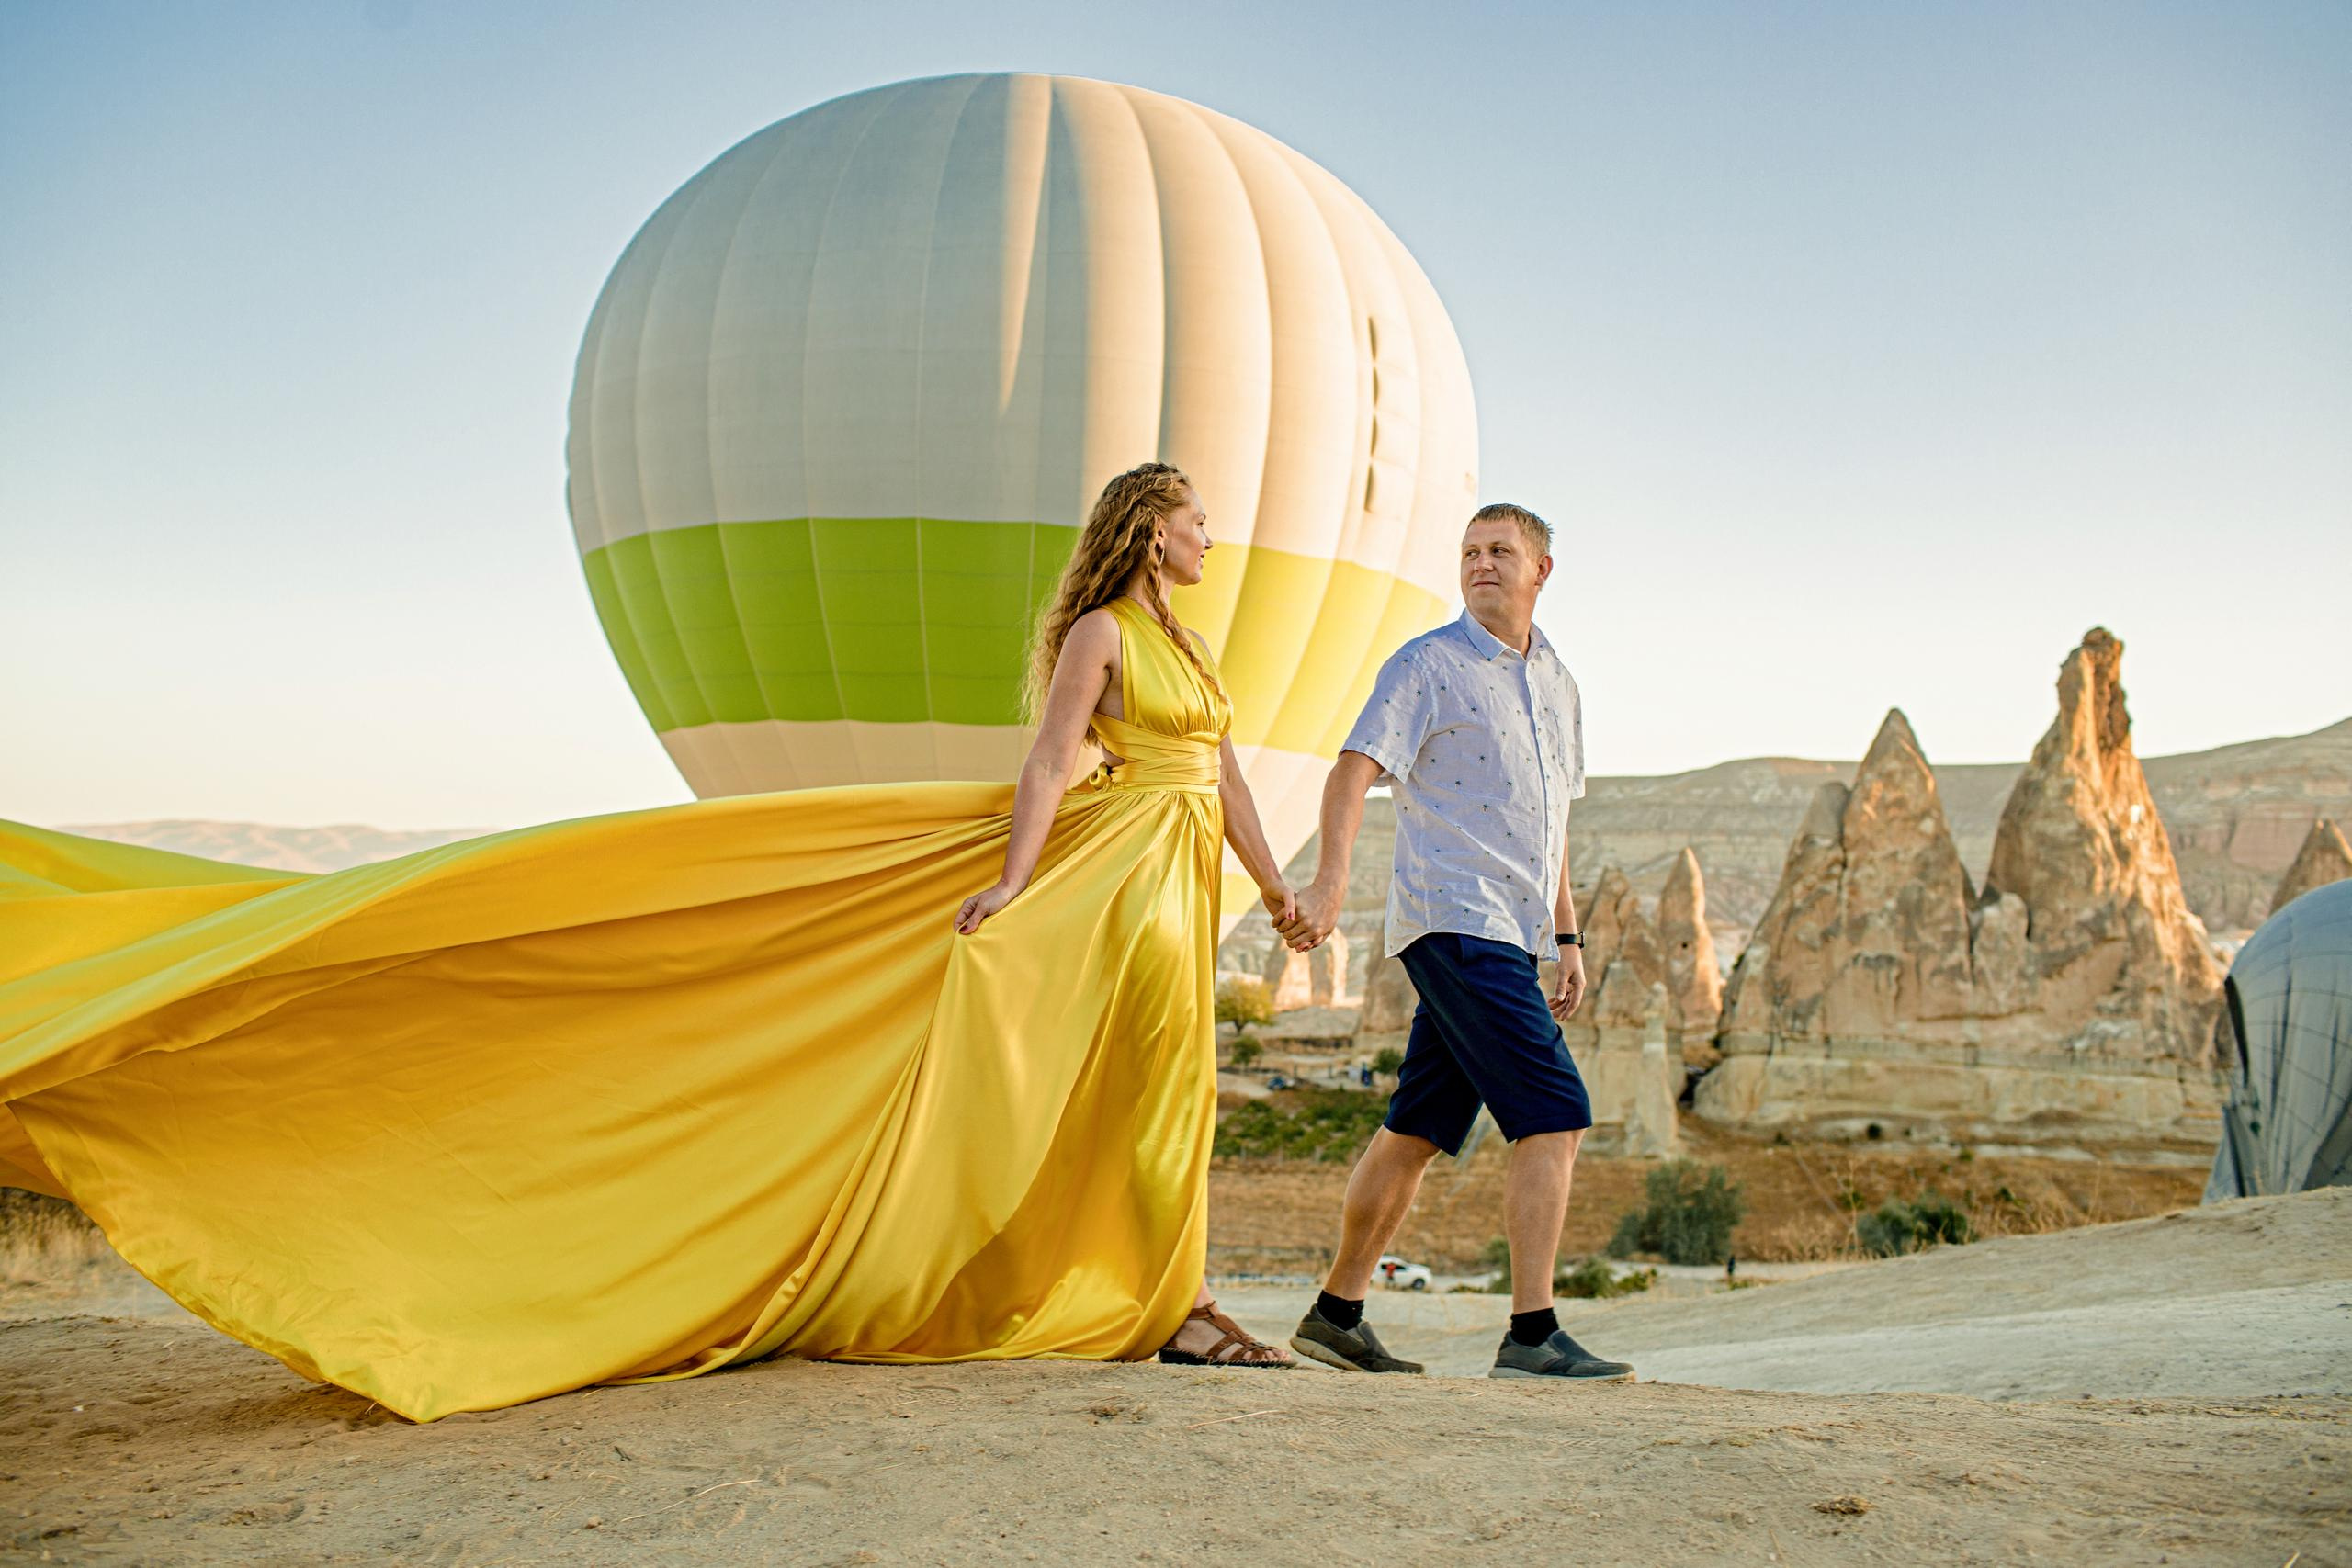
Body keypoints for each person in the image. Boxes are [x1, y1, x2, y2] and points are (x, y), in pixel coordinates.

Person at [0, 460, 1293, 1422]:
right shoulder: (1103, 634)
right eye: (1191, 516)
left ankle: (1171, 1290)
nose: (1208, 532)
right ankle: (1161, 1303)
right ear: (1146, 525)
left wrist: (1278, 891)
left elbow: (1224, 771)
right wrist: (1015, 882)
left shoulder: (1190, 638)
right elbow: (1054, 760)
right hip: (1110, 878)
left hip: (1181, 877)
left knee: (1170, 1083)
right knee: (1127, 1078)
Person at [1274, 502, 1634, 1382]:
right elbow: (1352, 770)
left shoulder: (1558, 682)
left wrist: (1568, 936)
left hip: (1513, 931)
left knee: (1417, 1128)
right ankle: (1531, 1332)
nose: (1481, 563)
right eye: (1469, 551)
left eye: (1500, 550)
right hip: (1452, 917)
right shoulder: (1428, 665)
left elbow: (1549, 828)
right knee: (1555, 1112)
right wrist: (1328, 885)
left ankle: (1336, 1315)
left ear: (1542, 567)